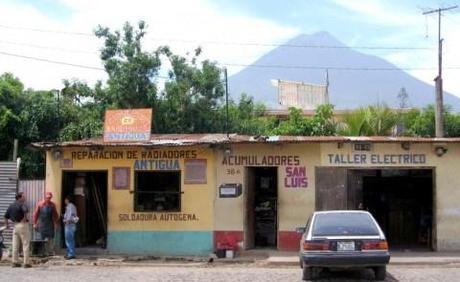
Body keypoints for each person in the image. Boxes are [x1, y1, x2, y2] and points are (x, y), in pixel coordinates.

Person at [4, 192, 31, 268]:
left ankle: (15, 262)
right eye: (23, 196)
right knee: (25, 244)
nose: (25, 198)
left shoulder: (11, 205)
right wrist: (24, 219)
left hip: (15, 226)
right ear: (19, 198)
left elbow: (6, 216)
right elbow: (25, 212)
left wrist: (7, 225)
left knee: (15, 245)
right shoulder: (22, 204)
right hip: (23, 225)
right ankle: (26, 263)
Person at [33, 192, 59, 257]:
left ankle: (50, 251)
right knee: (42, 238)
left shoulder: (52, 205)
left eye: (50, 198)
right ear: (45, 197)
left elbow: (55, 215)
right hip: (42, 224)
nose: (48, 199)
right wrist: (35, 223)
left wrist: (56, 223)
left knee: (50, 238)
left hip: (50, 224)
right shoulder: (40, 204)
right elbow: (35, 214)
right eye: (47, 198)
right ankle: (42, 252)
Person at [63, 195, 78, 260]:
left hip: (69, 224)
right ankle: (70, 253)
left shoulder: (70, 206)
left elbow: (70, 215)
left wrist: (67, 221)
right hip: (70, 224)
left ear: (67, 200)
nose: (64, 201)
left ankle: (71, 254)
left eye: (65, 199)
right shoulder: (71, 206)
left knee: (69, 240)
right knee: (70, 239)